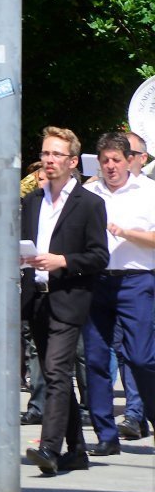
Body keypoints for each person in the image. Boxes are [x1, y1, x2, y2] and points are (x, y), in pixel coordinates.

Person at [20, 128, 110, 475]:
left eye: (57, 155)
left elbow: (99, 256)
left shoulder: (89, 204)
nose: (49, 160)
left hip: (69, 298)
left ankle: (49, 448)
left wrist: (63, 261)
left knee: (57, 371)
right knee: (55, 374)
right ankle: (77, 449)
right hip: (37, 299)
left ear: (73, 162)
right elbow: (27, 245)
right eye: (45, 153)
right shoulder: (31, 201)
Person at [83, 132, 155, 457]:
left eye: (116, 160)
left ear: (129, 160)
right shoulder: (87, 193)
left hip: (137, 281)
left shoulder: (148, 192)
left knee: (141, 357)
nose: (110, 166)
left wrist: (126, 232)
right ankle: (106, 435)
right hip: (97, 280)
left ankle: (150, 417)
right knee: (96, 359)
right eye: (105, 161)